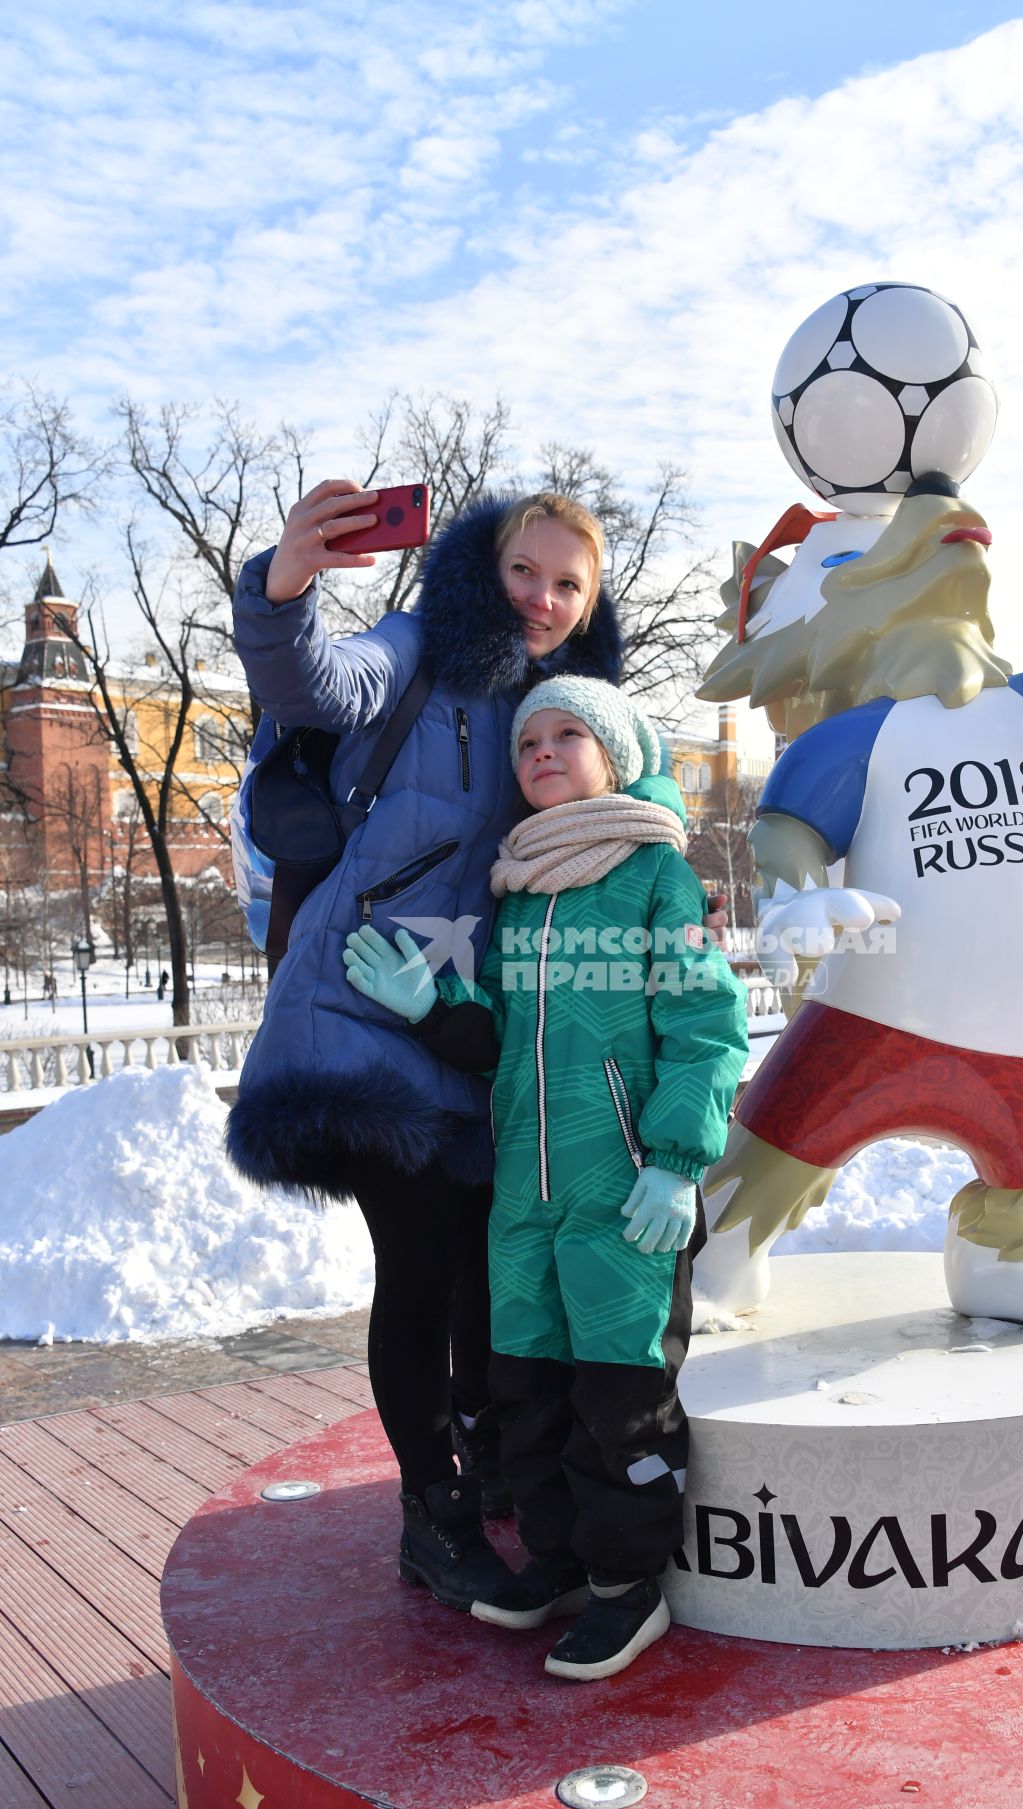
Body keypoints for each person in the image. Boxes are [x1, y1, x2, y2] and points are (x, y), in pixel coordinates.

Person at [226, 480, 635, 1611]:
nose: (541, 598)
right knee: (417, 1263)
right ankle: (429, 1511)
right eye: (523, 571)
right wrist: (284, 586)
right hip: (355, 1003)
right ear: (482, 569)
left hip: (462, 1024)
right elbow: (316, 681)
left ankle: (491, 1456)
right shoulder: (420, 649)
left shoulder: (564, 710)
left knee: (478, 1268)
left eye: (567, 583)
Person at [343, 679, 749, 1679]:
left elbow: (706, 1027)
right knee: (523, 1391)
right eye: (528, 738)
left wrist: (674, 1165)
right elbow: (504, 1043)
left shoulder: (654, 874)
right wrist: (430, 1008)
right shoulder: (520, 888)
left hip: (624, 1195)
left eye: (569, 734)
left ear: (615, 758)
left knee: (618, 1400)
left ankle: (626, 1588)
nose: (542, 749)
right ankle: (561, 1562)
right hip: (523, 1199)